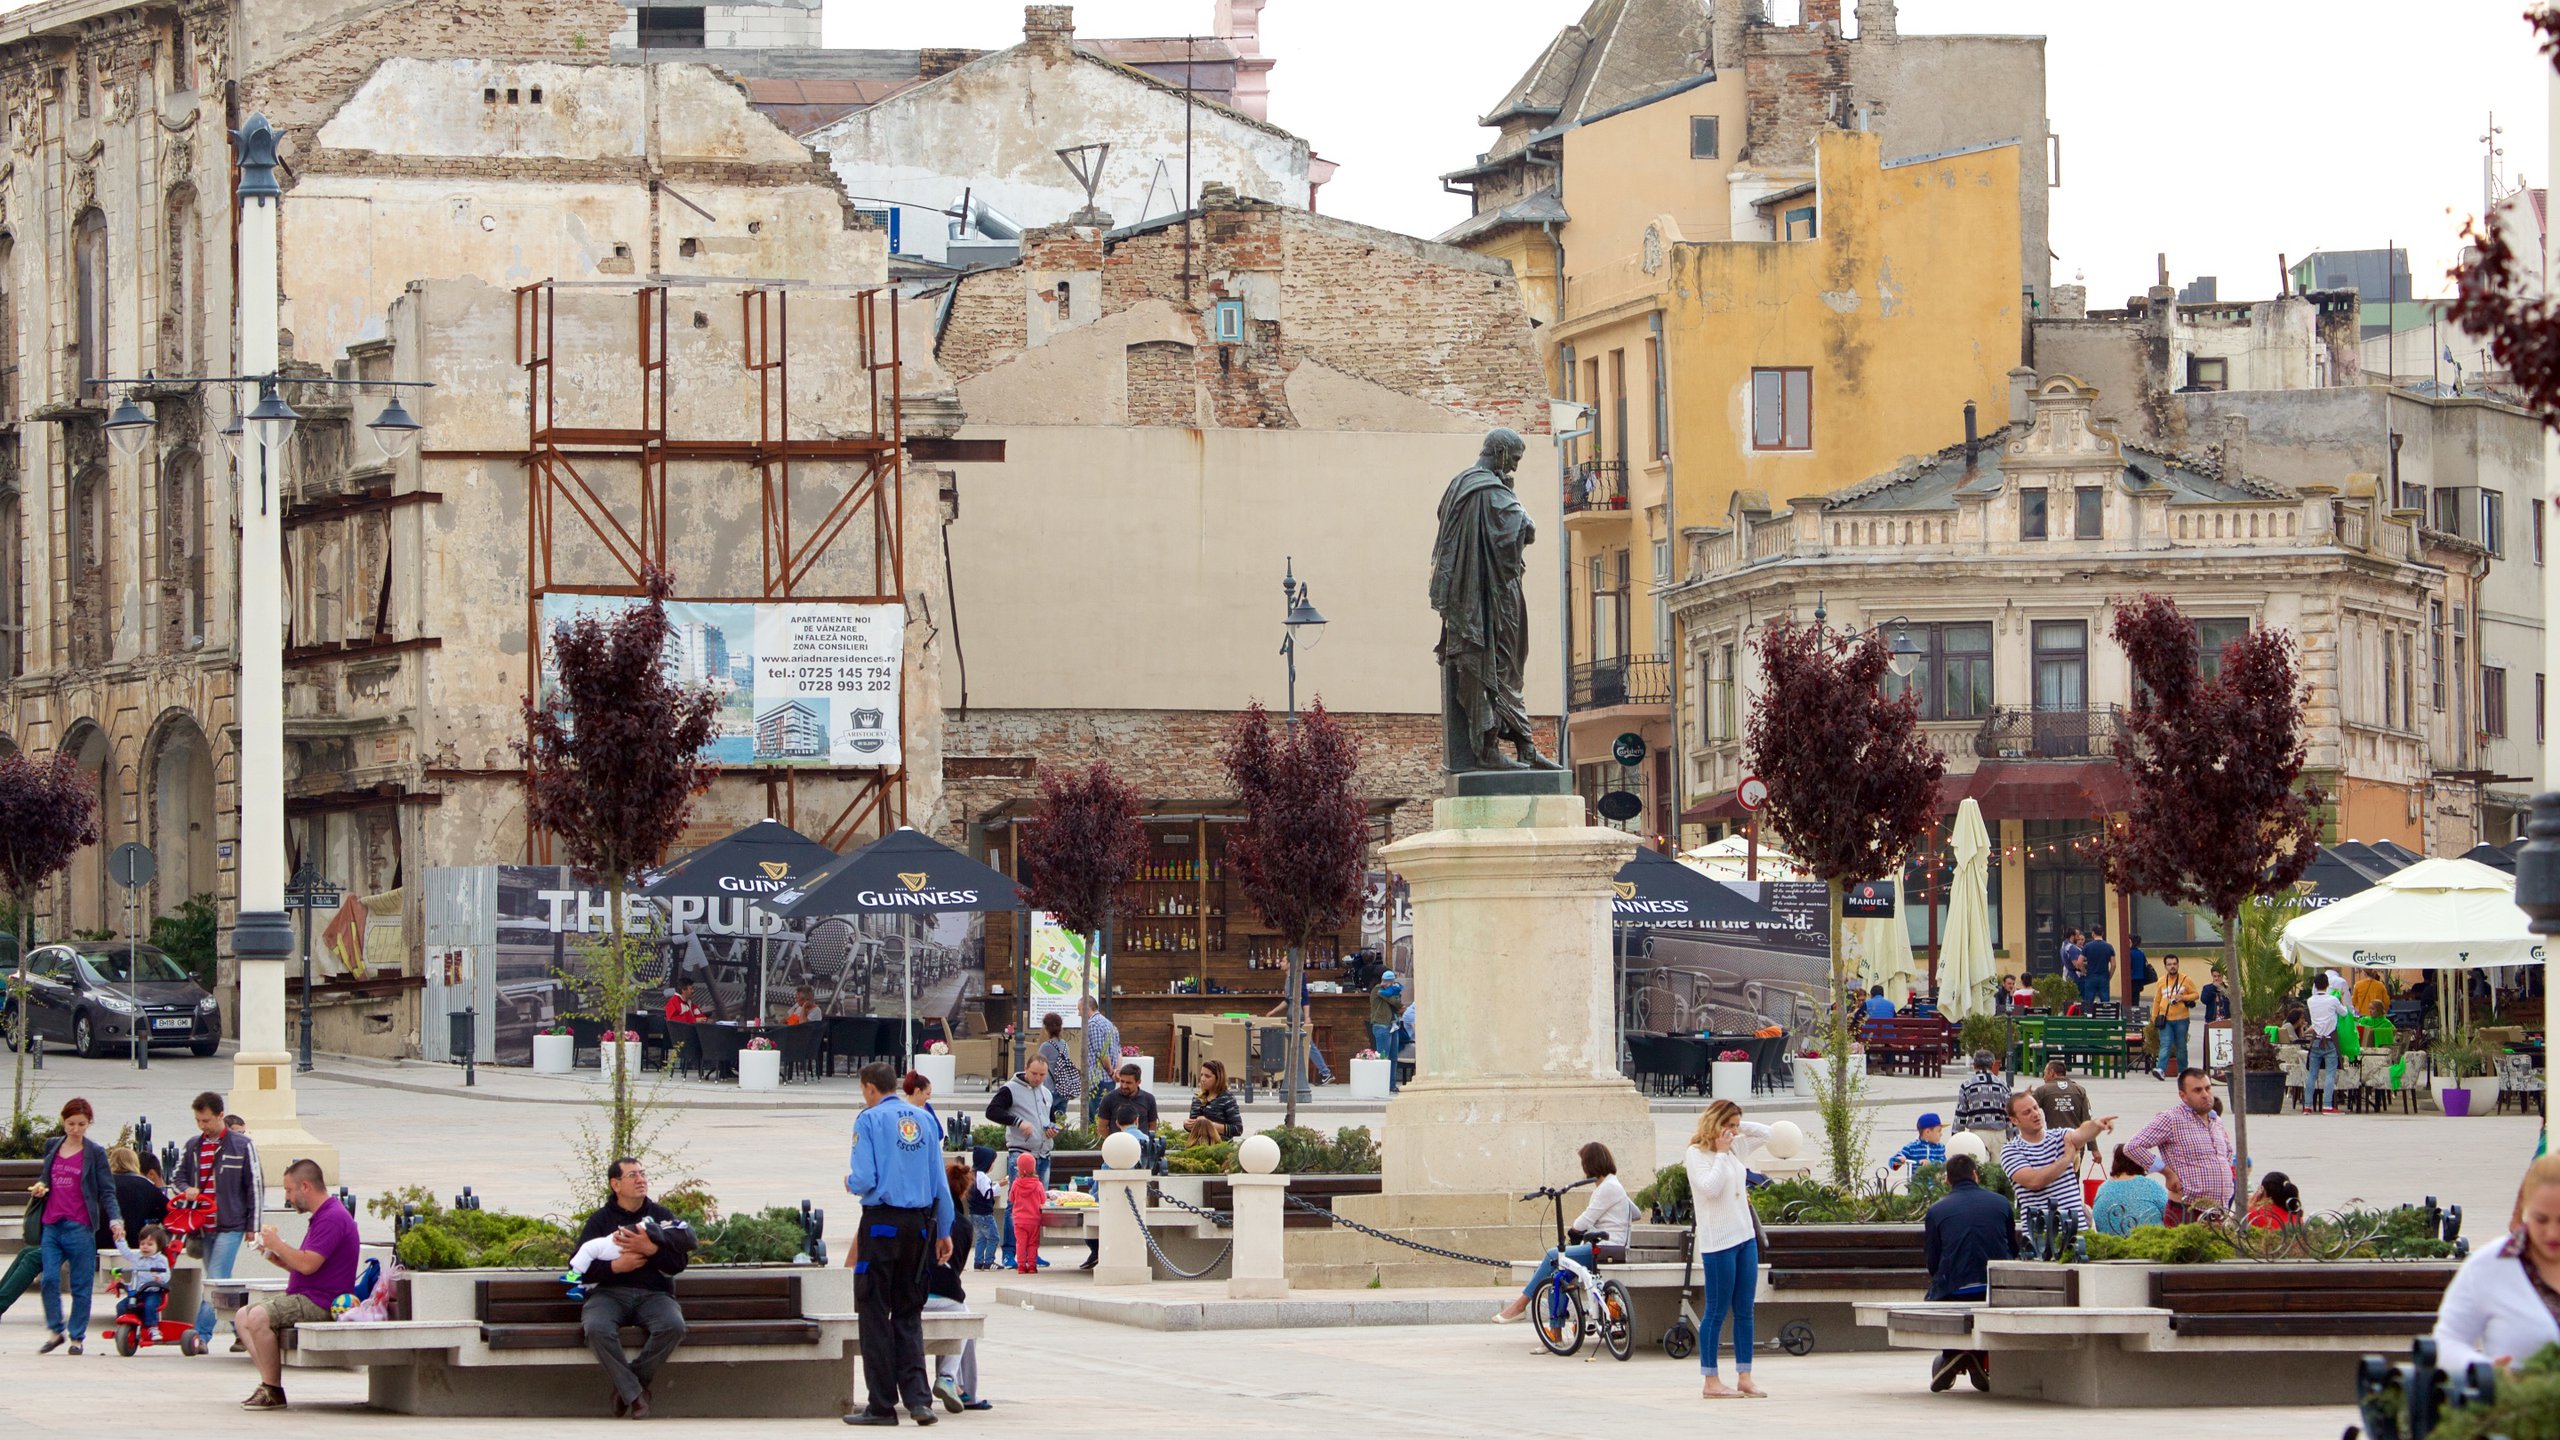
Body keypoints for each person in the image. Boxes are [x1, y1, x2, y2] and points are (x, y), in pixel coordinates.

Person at [843, 1061, 956, 1427]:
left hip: (881, 1225)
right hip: (919, 1227)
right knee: (909, 1311)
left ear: (868, 1088)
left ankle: (881, 1405)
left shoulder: (869, 1119)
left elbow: (864, 1177)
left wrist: (850, 1182)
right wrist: (944, 1231)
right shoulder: (923, 1120)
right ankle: (919, 1401)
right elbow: (940, 1183)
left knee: (874, 1312)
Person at [572, 1158, 692, 1418]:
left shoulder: (661, 1216)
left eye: (643, 1173)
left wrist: (651, 1250)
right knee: (596, 1329)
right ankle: (636, 1396)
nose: (641, 1179)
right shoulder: (600, 1221)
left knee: (673, 1326)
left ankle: (628, 1390)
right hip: (608, 1295)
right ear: (616, 1184)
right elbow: (577, 1270)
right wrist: (616, 1267)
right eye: (633, 1175)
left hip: (655, 1295)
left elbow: (679, 1263)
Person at [236, 1158, 360, 1411]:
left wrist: (277, 1243)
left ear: (305, 1186)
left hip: (321, 1301)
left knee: (258, 1317)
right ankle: (267, 1383)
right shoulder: (323, 1216)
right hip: (307, 1294)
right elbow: (301, 1265)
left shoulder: (332, 1218)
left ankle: (273, 1389)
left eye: (289, 1190)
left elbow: (307, 1265)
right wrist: (271, 1254)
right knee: (241, 1316)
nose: (287, 1197)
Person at [2433, 1154, 2560, 1375]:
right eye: (2541, 1219)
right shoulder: (2489, 1264)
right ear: (2525, 1209)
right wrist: (2485, 1371)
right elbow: (2446, 1341)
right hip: (2517, 1404)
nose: (2552, 1233)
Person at [1683, 1100, 1770, 1399]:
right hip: (1718, 1242)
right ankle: (1711, 1380)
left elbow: (1767, 1134)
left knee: (1745, 1309)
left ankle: (1745, 1375)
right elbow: (1709, 1188)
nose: (1732, 1132)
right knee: (1716, 1310)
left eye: (1735, 1126)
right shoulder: (1697, 1154)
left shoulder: (1734, 1149)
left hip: (1744, 1237)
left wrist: (1736, 1126)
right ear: (1713, 1124)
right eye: (1727, 1125)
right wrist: (1720, 1152)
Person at [1494, 1142, 1630, 1324]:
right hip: (1609, 1246)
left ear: (1590, 1164)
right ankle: (1555, 1335)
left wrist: (1586, 1227)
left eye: (1584, 1164)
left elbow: (1581, 1223)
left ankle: (1521, 1304)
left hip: (1607, 1249)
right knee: (1557, 1277)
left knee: (1552, 1255)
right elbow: (1634, 1212)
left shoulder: (1607, 1187)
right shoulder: (1612, 1184)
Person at [29, 1097, 122, 1355]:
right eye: (71, 1123)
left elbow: (107, 1190)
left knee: (81, 1285)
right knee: (49, 1279)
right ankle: (55, 1330)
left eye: (81, 1124)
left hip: (80, 1227)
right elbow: (45, 1179)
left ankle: (77, 1337)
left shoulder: (94, 1152)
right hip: (52, 1223)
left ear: (88, 1124)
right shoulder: (53, 1146)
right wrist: (41, 1187)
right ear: (63, 1121)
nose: (76, 1129)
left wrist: (115, 1220)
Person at [174, 1089, 261, 1349]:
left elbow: (254, 1186)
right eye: (199, 1121)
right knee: (222, 1281)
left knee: (215, 1278)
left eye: (207, 1120)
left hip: (231, 1224)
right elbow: (177, 1179)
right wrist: (185, 1190)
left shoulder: (242, 1145)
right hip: (203, 1226)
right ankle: (243, 1331)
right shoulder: (193, 1146)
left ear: (220, 1116)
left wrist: (252, 1226)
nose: (203, 1126)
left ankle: (200, 1336)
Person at [1922, 1153, 2013, 1393]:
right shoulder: (2001, 1203)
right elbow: (2012, 1250)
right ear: (1976, 1175)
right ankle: (1977, 1357)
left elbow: (1933, 1262)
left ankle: (1954, 1355)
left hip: (1955, 1289)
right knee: (1980, 1299)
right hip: (1995, 1289)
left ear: (1947, 1181)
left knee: (1942, 1293)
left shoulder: (1937, 1210)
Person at [2121, 1067, 2238, 1222]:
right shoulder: (2172, 1119)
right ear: (2183, 1095)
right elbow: (2133, 1147)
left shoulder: (2215, 1120)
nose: (2205, 1095)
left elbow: (2227, 1153)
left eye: (2208, 1088)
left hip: (2219, 1211)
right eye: (2197, 1090)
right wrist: (2167, 1173)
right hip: (2187, 1211)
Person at [923, 1158, 991, 1414]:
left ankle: (935, 1384)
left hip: (910, 1296)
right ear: (963, 1191)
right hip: (947, 1301)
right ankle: (955, 1383)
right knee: (963, 1318)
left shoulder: (919, 1214)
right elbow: (955, 1272)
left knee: (958, 1314)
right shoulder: (963, 1225)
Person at [985, 1054, 1056, 1270]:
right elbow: (992, 1111)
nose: (1037, 1078)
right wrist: (1017, 1121)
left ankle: (1031, 1251)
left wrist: (1051, 1129)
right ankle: (1009, 1252)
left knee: (1037, 1206)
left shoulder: (1046, 1092)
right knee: (1015, 1205)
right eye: (1034, 1074)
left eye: (1042, 1075)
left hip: (1043, 1153)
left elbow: (1047, 1118)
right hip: (1021, 1152)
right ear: (1025, 1069)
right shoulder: (1010, 1089)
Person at [2001, 1090, 2111, 1229]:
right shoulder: (2011, 1150)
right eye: (2027, 1112)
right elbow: (2035, 1181)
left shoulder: (2060, 1135)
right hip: (2041, 1237)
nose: (2035, 1114)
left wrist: (2096, 1125)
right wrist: (2066, 1160)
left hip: (2077, 1232)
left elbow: (2081, 1133)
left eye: (2035, 1108)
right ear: (2014, 1120)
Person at [2089, 1146, 2170, 1235]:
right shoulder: (2150, 1186)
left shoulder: (2102, 1188)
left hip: (2109, 1245)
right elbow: (2170, 1214)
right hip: (2148, 1244)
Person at [112, 1224, 174, 1333]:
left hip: (152, 1292)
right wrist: (120, 1240)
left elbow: (167, 1273)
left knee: (150, 1306)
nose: (145, 1247)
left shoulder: (161, 1259)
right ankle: (124, 1327)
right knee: (121, 1306)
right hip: (137, 1292)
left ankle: (152, 1328)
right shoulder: (137, 1256)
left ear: (158, 1246)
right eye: (142, 1244)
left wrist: (160, 1277)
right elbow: (126, 1252)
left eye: (150, 1244)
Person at [103, 1145, 166, 1244]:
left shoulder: (101, 1183)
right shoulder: (145, 1184)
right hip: (135, 1242)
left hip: (101, 1241)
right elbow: (166, 1211)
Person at [2305, 973, 2349, 1115]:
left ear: (2315, 985)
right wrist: (2341, 997)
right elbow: (2344, 1013)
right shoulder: (2333, 1000)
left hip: (2316, 1040)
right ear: (2327, 984)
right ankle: (2327, 1106)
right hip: (2330, 1040)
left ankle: (2307, 1106)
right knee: (2330, 1073)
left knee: (2312, 1074)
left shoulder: (2310, 1001)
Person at [2150, 955, 2199, 1080]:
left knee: (2181, 1045)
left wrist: (2183, 997)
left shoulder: (2186, 980)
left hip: (2181, 1018)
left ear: (2178, 965)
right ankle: (2161, 1069)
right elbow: (2157, 1000)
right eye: (2169, 964)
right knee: (2165, 1044)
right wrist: (2154, 1017)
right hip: (2165, 1018)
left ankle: (2183, 1071)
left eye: (2174, 964)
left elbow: (2195, 995)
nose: (2172, 966)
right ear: (2165, 966)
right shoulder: (2161, 981)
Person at [1182, 1059, 1244, 1146]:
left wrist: (1209, 1125)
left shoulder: (1227, 1098)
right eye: (1201, 1075)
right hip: (1198, 1146)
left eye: (1207, 1076)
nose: (1203, 1079)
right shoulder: (1197, 1098)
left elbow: (1237, 1129)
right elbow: (1194, 1128)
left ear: (1218, 1078)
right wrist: (1187, 1125)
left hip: (1220, 1147)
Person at [1079, 996, 1121, 1123]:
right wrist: (1117, 1071)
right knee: (1106, 1113)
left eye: (1080, 1010)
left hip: (1099, 1078)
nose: (1078, 1014)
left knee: (1096, 1116)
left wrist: (1110, 1071)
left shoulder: (1093, 1024)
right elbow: (1119, 1051)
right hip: (1109, 1078)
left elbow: (1102, 1053)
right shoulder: (1109, 1024)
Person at [1954, 1051, 2011, 1144]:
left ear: (1974, 1065)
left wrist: (1956, 1138)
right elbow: (2009, 1114)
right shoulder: (2004, 1086)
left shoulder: (1967, 1085)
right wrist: (2012, 1136)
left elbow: (1960, 1116)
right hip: (1999, 1134)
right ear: (1993, 1065)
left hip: (1977, 1135)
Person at [1034, 1012, 1082, 1123]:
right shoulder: (1064, 1044)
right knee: (1060, 1119)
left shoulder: (1046, 1046)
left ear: (1046, 1029)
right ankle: (1060, 1137)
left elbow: (1037, 1063)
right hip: (1064, 1087)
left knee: (1047, 1119)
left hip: (1050, 1088)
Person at [1007, 1153, 1047, 1276]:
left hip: (1019, 1220)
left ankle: (1021, 1266)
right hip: (1034, 1220)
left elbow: (1011, 1198)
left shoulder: (1015, 1184)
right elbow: (1043, 1200)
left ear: (1018, 1168)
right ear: (1033, 1167)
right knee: (1032, 1243)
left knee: (1020, 1243)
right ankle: (1032, 1266)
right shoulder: (1038, 1184)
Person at [1369, 970, 1407, 1093]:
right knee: (1383, 1057)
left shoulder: (1391, 991)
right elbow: (1395, 1003)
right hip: (1382, 1026)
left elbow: (1398, 1001)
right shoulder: (1378, 990)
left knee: (1393, 1057)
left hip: (1393, 1025)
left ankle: (1391, 1085)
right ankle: (1381, 1084)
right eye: (1389, 981)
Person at [2031, 1059, 2092, 1132]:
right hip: (2076, 1139)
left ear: (2052, 1073)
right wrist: (2091, 1143)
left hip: (2054, 1140)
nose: (2044, 1078)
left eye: (2045, 1073)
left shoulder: (2042, 1091)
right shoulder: (2080, 1090)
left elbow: (2024, 1111)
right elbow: (2087, 1119)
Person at [965, 1146, 1000, 1271]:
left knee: (981, 1238)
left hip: (973, 1213)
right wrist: (999, 1185)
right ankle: (989, 1261)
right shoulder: (982, 1177)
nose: (993, 1165)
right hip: (985, 1214)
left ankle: (978, 1262)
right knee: (994, 1237)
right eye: (992, 1162)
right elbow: (987, 1194)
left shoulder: (972, 1174)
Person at [2080, 928, 2116, 1007]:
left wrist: (2084, 971)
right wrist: (2109, 976)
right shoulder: (2109, 947)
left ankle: (2088, 1016)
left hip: (2090, 976)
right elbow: (2113, 964)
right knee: (2105, 1001)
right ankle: (2105, 1016)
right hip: (2103, 976)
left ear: (2093, 933)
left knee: (2088, 1002)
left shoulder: (2087, 946)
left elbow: (2079, 961)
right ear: (2102, 934)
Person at [2059, 928, 2085, 998]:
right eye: (2077, 935)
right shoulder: (2071, 947)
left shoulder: (2063, 945)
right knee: (2079, 997)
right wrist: (2084, 972)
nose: (2078, 937)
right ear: (2072, 936)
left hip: (2068, 974)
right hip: (2075, 976)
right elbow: (2077, 964)